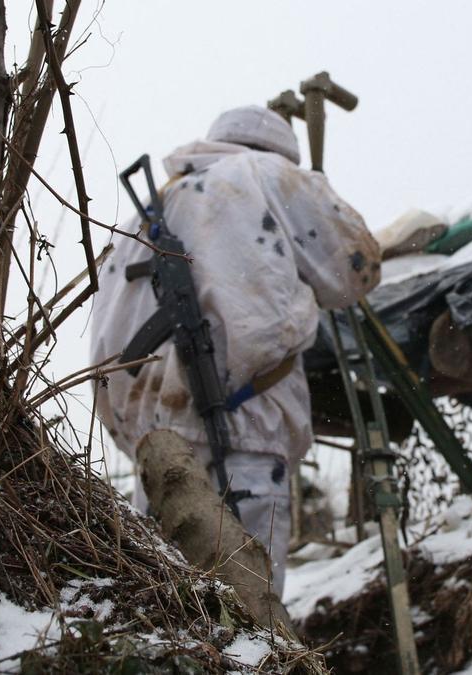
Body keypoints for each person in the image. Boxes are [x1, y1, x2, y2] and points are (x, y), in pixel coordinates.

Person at [91, 105, 380, 596]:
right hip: (244, 433)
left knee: (165, 607)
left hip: (155, 448)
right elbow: (355, 270)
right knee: (248, 615)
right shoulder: (269, 174)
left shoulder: (147, 212)